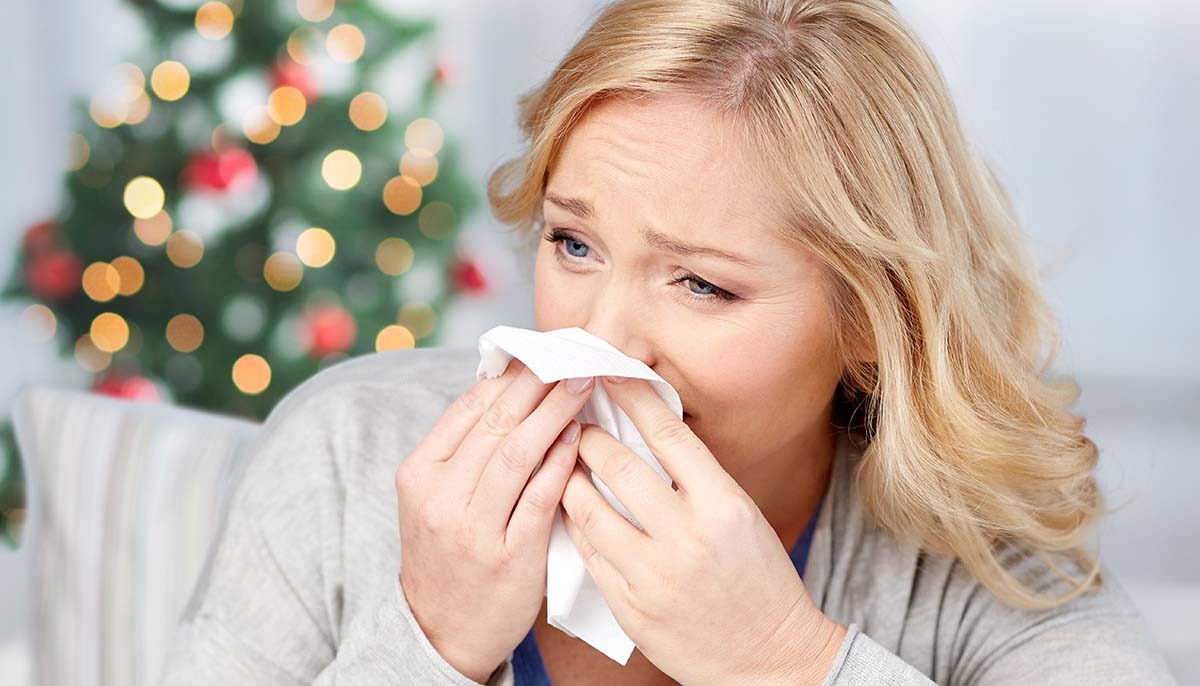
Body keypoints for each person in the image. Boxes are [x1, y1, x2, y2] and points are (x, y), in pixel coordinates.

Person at [160, 0, 1178, 684]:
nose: (600, 337)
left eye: (700, 281)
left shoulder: (964, 557)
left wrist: (782, 656)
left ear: (870, 321)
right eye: (573, 242)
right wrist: (427, 642)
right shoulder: (347, 453)